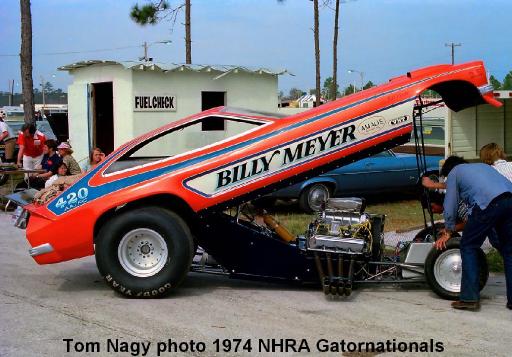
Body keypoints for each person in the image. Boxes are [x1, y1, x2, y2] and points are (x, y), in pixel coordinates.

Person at [434, 156, 512, 311]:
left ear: (449, 170)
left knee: (469, 245)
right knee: (510, 251)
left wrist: (449, 230)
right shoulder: (482, 167)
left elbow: (450, 205)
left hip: (488, 203)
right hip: (509, 200)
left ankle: (469, 298)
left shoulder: (455, 173)